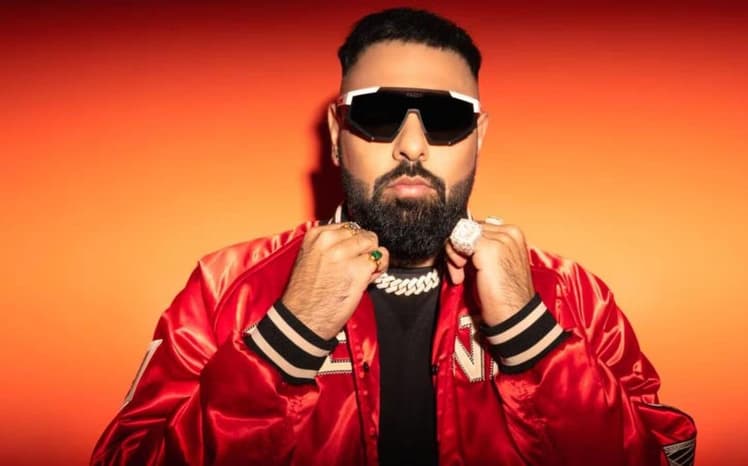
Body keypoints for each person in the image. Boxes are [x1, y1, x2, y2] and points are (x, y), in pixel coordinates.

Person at [91, 7, 696, 466]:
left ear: (480, 138)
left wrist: (531, 337)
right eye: (378, 114)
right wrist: (287, 339)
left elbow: (666, 456)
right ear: (337, 133)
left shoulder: (569, 294)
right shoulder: (228, 287)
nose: (412, 145)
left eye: (446, 117)